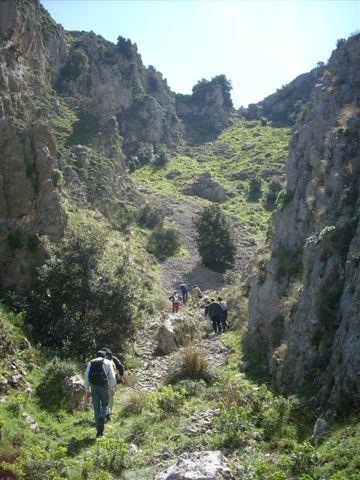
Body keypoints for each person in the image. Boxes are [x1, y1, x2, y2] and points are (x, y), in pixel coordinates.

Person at [85, 350, 116, 438]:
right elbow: (113, 377)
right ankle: (103, 417)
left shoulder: (91, 362)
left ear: (96, 356)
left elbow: (87, 377)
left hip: (94, 386)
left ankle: (98, 430)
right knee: (105, 404)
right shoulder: (107, 362)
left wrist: (87, 390)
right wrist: (111, 387)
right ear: (104, 356)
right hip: (104, 386)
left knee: (96, 408)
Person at [101, 348, 125, 419]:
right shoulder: (113, 359)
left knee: (102, 396)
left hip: (101, 380)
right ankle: (109, 411)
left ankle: (103, 412)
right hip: (111, 380)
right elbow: (121, 367)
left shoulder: (99, 359)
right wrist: (121, 377)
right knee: (111, 396)